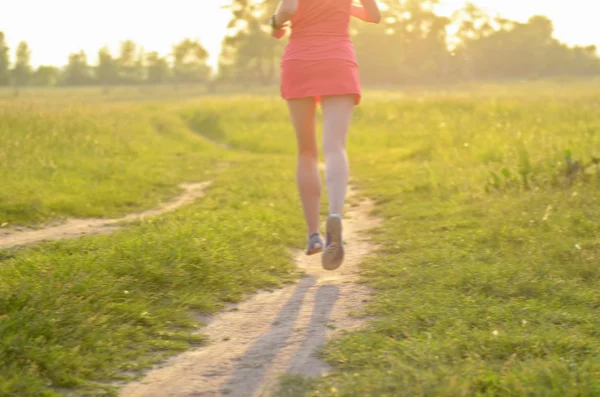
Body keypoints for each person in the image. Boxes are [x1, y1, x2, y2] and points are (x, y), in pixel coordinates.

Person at [270, 0, 381, 271]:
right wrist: (345, 9)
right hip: (338, 60)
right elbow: (374, 16)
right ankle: (335, 214)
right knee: (335, 147)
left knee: (306, 151)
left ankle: (313, 236)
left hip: (300, 61)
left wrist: (275, 23)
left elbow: (287, 10)